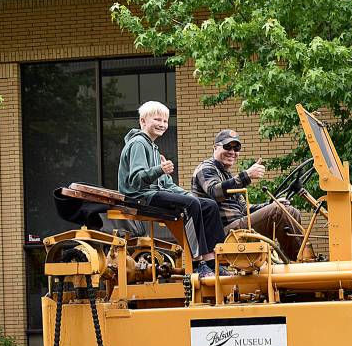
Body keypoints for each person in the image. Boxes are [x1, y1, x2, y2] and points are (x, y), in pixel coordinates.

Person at [118, 101, 228, 277]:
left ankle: (213, 261)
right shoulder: (138, 143)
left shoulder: (153, 148)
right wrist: (159, 169)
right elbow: (136, 180)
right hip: (139, 197)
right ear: (143, 121)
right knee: (191, 205)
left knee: (208, 205)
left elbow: (166, 184)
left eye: (165, 120)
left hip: (153, 194)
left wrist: (188, 195)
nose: (162, 124)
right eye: (157, 119)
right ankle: (197, 263)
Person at [192, 129, 305, 261]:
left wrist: (272, 204)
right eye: (227, 146)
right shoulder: (206, 168)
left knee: (289, 211)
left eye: (236, 148)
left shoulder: (227, 176)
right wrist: (246, 176)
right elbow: (215, 191)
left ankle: (295, 260)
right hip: (221, 235)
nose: (232, 152)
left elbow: (245, 208)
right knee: (279, 212)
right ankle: (301, 262)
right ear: (215, 147)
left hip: (237, 229)